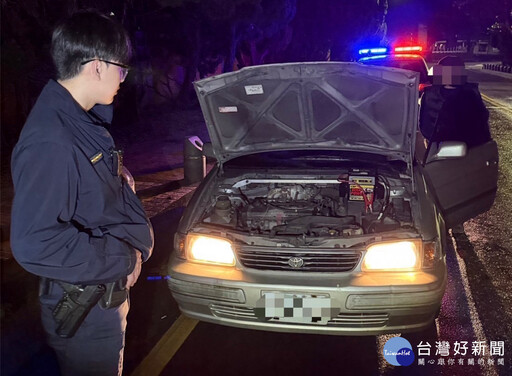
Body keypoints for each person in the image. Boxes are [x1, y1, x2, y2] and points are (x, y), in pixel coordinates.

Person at [10, 10, 154, 376]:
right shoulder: (52, 139)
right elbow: (35, 242)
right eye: (121, 69)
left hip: (99, 295)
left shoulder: (78, 122)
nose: (124, 78)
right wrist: (123, 259)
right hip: (88, 308)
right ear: (96, 67)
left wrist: (119, 179)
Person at [418, 56, 492, 235]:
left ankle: (453, 222)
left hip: (455, 146)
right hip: (443, 145)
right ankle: (449, 223)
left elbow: (480, 120)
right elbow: (424, 121)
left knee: (453, 185)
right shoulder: (434, 93)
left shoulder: (464, 93)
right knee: (439, 184)